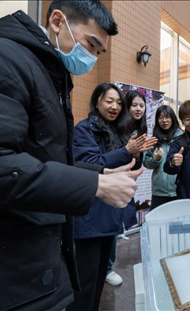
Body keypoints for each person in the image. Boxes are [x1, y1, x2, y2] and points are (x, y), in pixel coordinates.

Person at [0, 2, 142, 310]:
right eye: (90, 45)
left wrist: (98, 175)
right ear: (58, 21)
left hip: (34, 262)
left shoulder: (50, 75)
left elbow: (46, 159)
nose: (92, 58)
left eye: (99, 53)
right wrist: (95, 187)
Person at [70, 83, 156, 310]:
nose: (115, 107)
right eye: (109, 101)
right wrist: (127, 151)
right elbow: (92, 165)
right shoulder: (84, 130)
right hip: (90, 211)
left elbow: (127, 166)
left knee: (99, 278)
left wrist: (136, 154)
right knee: (85, 280)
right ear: (96, 101)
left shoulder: (119, 131)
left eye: (119, 103)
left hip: (111, 212)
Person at [105, 90, 147, 287]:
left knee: (114, 225)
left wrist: (138, 156)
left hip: (124, 182)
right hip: (106, 181)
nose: (138, 109)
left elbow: (137, 164)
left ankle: (106, 266)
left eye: (141, 105)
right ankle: (106, 268)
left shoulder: (139, 129)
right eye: (134, 105)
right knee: (107, 225)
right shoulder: (114, 128)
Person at [144, 105, 183, 209]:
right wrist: (155, 159)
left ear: (173, 119)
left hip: (178, 191)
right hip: (159, 192)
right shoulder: (154, 140)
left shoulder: (182, 138)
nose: (164, 120)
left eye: (167, 117)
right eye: (160, 117)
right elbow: (146, 163)